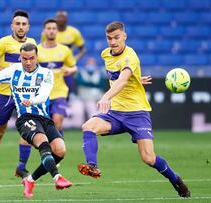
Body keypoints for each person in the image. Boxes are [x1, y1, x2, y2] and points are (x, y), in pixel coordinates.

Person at [77, 22, 191, 198]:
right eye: (109, 38)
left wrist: (106, 96)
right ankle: (92, 166)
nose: (113, 42)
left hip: (137, 113)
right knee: (88, 127)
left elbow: (122, 81)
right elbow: (120, 77)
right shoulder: (105, 54)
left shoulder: (131, 57)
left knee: (148, 158)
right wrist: (136, 79)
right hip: (115, 113)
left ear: (124, 36)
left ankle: (176, 180)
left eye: (116, 37)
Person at [0, 43, 72, 198]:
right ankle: (58, 177)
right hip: (25, 119)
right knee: (43, 143)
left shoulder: (46, 73)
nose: (28, 62)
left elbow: (43, 94)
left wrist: (33, 101)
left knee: (60, 150)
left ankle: (30, 179)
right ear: (20, 58)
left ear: (37, 57)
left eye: (31, 58)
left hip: (44, 118)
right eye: (24, 59)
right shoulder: (14, 70)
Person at [0, 10, 37, 184]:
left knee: (28, 129)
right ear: (12, 26)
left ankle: (21, 166)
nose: (21, 27)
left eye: (24, 24)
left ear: (28, 27)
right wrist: (7, 73)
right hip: (5, 94)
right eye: (17, 24)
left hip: (24, 94)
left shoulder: (32, 43)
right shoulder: (3, 43)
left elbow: (36, 66)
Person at [38, 19, 77, 136]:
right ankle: (54, 150)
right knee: (41, 129)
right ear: (44, 31)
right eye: (49, 28)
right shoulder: (37, 50)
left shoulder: (64, 50)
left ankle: (59, 152)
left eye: (54, 29)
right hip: (42, 94)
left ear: (57, 31)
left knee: (57, 124)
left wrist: (70, 70)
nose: (51, 31)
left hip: (59, 93)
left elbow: (74, 67)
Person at [41, 11, 86, 98]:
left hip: (66, 68)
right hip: (51, 68)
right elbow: (42, 48)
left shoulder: (74, 32)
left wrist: (75, 59)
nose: (61, 19)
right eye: (59, 17)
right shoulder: (48, 33)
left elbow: (82, 50)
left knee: (66, 93)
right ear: (56, 19)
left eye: (63, 17)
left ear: (67, 19)